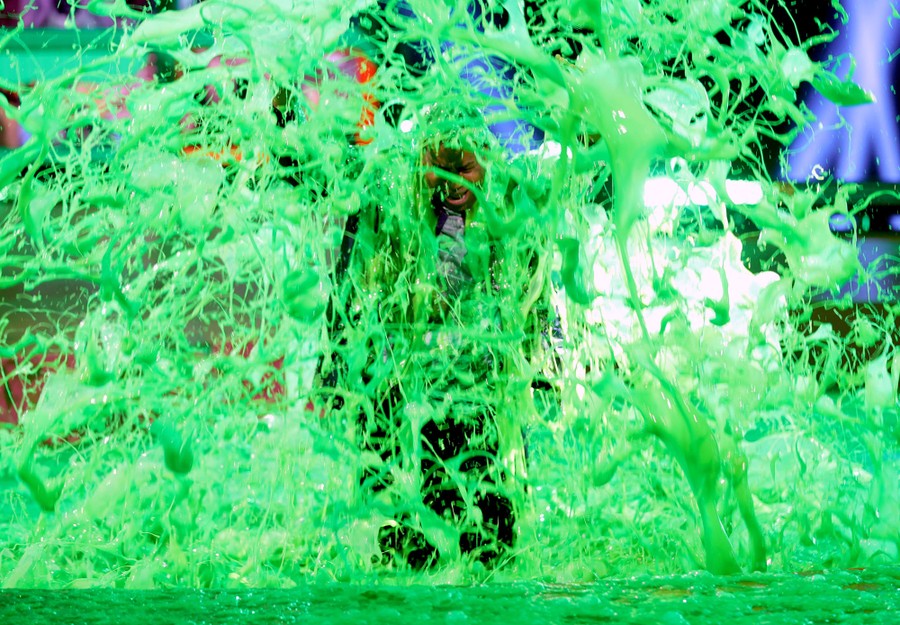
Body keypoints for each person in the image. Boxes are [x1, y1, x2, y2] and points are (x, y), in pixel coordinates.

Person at [318, 101, 559, 570]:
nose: (451, 182)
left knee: (494, 555)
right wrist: (334, 366)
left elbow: (536, 297)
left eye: (463, 167)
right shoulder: (393, 202)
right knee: (396, 549)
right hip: (405, 398)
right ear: (420, 159)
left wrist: (544, 364)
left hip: (481, 403)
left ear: (485, 161)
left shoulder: (509, 207)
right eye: (439, 167)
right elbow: (348, 286)